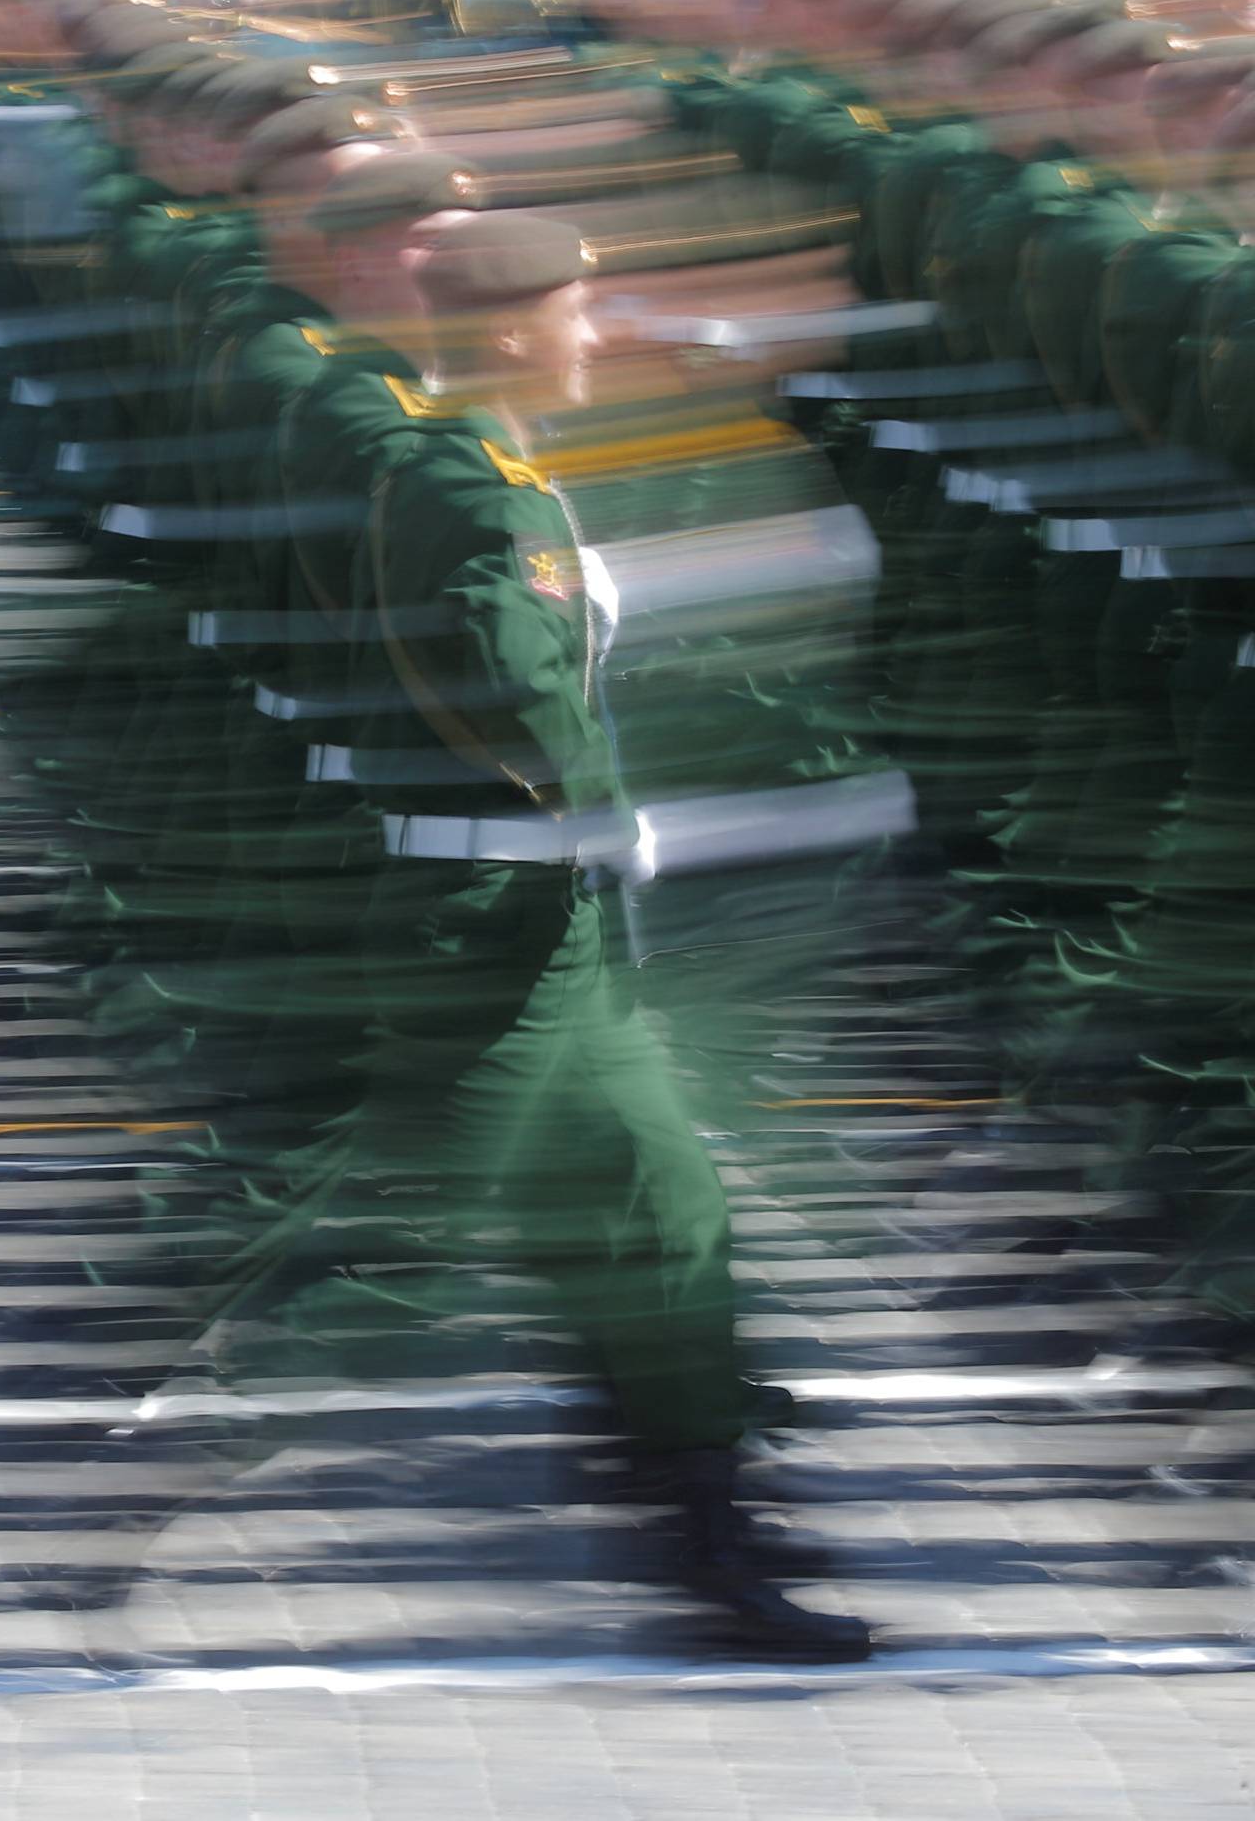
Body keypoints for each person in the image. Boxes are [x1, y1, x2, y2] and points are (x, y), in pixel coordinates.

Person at [199, 210, 873, 1661]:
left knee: (662, 1206)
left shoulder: (483, 461)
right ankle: (163, 1444)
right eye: (577, 309)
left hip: (538, 910)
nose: (593, 333)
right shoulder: (467, 478)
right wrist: (619, 812)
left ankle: (705, 1526)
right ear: (511, 328)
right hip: (492, 916)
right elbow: (510, 676)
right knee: (407, 1245)